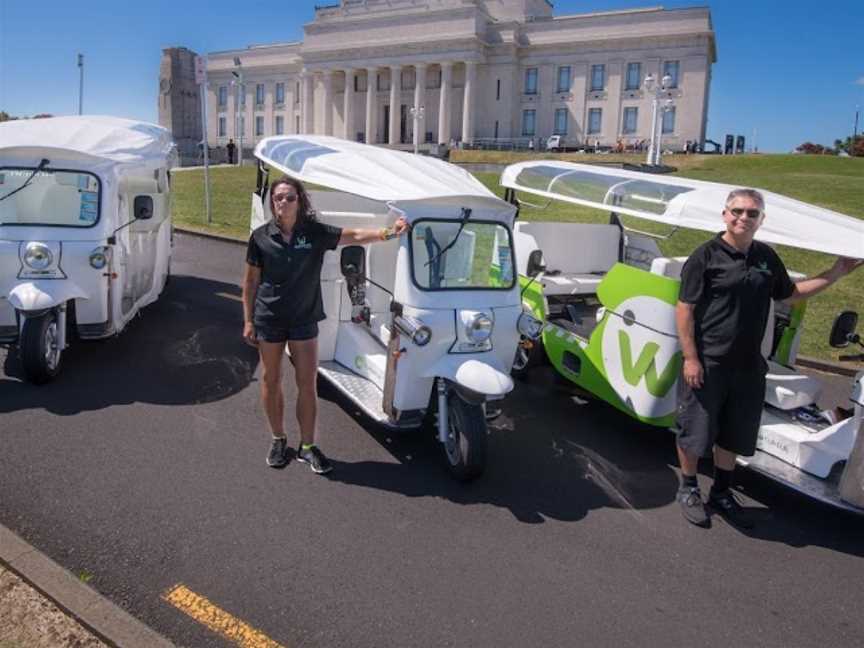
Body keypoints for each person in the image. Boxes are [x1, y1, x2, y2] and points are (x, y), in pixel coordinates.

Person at [674, 188, 862, 528]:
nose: (743, 218)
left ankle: (721, 490)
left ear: (761, 220)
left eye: (752, 213)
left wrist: (836, 272)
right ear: (724, 215)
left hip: (748, 365)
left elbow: (790, 294)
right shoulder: (705, 256)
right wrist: (690, 358)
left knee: (735, 431)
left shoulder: (765, 257)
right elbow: (684, 309)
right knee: (695, 430)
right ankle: (688, 488)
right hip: (708, 362)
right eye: (737, 211)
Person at [242, 175, 410, 474]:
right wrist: (248, 319)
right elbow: (251, 280)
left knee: (307, 384)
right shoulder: (260, 237)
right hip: (269, 318)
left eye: (290, 197)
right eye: (278, 197)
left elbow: (356, 235)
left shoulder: (315, 232)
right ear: (272, 202)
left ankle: (307, 447)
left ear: (300, 201)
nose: (283, 202)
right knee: (271, 380)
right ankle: (278, 439)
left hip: (305, 318)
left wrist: (390, 233)